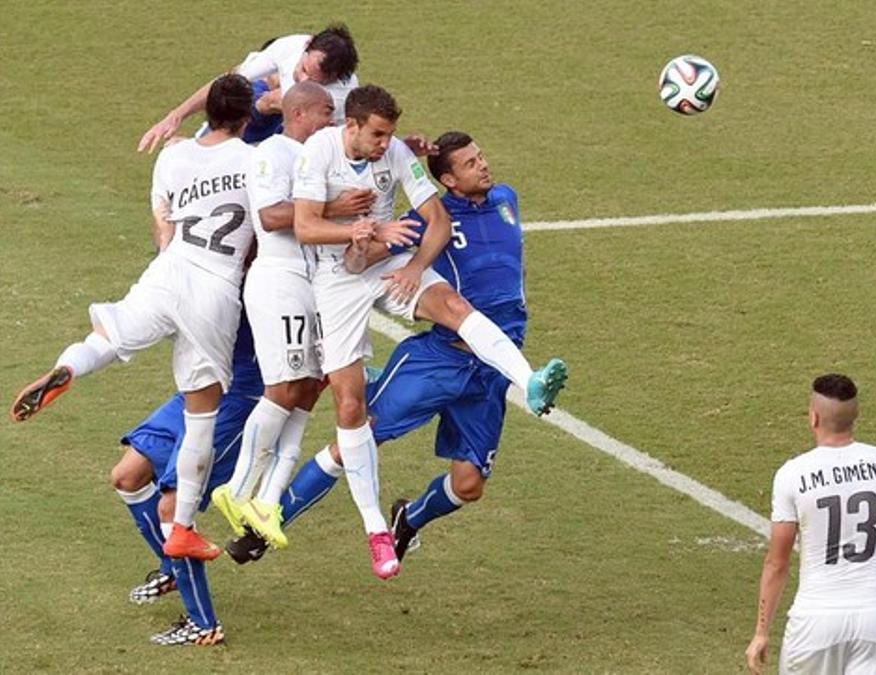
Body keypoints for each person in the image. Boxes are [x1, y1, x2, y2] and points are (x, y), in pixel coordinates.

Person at [226, 132, 560, 573]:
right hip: (439, 360)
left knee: (469, 484)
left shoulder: (506, 199)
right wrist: (370, 244)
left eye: (481, 156)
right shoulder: (424, 221)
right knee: (356, 438)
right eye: (470, 162)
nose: (483, 165)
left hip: (491, 369)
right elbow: (359, 263)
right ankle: (267, 523)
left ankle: (410, 519)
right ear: (449, 181)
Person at [11, 74, 257, 562]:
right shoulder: (256, 161)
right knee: (201, 414)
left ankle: (71, 369)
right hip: (216, 287)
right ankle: (183, 525)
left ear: (207, 112)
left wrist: (168, 258)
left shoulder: (174, 155)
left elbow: (161, 225)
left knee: (106, 336)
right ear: (247, 119)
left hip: (169, 270)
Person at [206, 82, 361, 551]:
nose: (332, 121)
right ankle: (235, 490)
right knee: (283, 388)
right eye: (325, 112)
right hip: (281, 279)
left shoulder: (319, 157)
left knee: (310, 389)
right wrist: (331, 210)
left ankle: (267, 501)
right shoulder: (272, 152)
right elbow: (271, 216)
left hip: (313, 284)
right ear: (299, 113)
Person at [746, 374, 876, 675]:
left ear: (813, 416)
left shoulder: (792, 474)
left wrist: (761, 632)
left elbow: (777, 563)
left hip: (816, 619)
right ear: (854, 417)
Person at [110, 314, 262, 646]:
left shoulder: (272, 277)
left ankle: (203, 624)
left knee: (172, 508)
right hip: (200, 388)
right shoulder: (212, 267)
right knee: (127, 476)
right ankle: (173, 568)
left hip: (239, 402)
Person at [138, 24, 359, 153]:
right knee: (248, 91)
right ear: (307, 46)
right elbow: (230, 80)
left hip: (305, 144)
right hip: (281, 120)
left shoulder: (337, 98)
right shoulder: (291, 45)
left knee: (265, 102)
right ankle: (202, 146)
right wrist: (176, 115)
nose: (301, 80)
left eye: (313, 81)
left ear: (335, 79)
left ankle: (203, 148)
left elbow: (295, 146)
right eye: (303, 68)